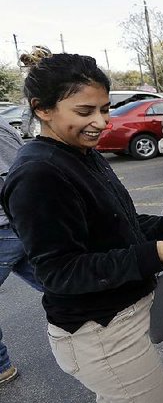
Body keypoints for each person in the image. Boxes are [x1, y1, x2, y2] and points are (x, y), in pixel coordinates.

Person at [1, 53, 163, 401]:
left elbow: (116, 221)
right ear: (42, 109)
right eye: (85, 112)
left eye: (104, 109)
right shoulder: (38, 174)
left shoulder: (82, 152)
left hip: (124, 318)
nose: (101, 122)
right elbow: (61, 272)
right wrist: (158, 253)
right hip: (99, 331)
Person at [0, 117, 44, 386]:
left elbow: (13, 179)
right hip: (12, 228)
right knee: (57, 283)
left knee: (58, 281)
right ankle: (106, 318)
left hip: (6, 228)